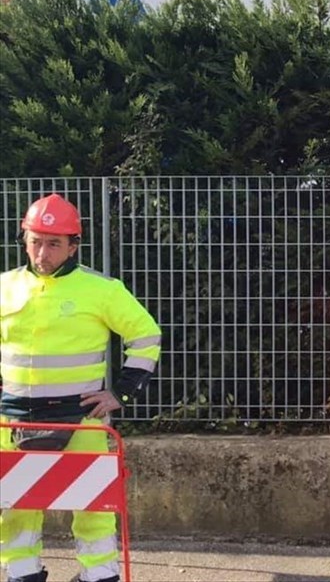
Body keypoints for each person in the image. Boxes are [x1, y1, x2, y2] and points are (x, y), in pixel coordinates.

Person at [0, 194, 162, 582]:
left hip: (81, 419)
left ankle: (99, 575)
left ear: (74, 245)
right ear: (24, 239)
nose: (43, 252)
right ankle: (23, 573)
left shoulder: (102, 289)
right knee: (13, 506)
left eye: (54, 243)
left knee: (94, 507)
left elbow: (145, 336)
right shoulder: (4, 286)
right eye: (36, 240)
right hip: (12, 420)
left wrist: (119, 394)